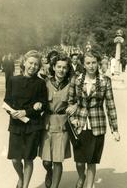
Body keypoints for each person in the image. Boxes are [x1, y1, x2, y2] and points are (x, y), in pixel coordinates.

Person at [67, 49, 120, 188]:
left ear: (98, 63)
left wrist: (115, 129)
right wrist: (73, 118)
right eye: (88, 63)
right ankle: (81, 176)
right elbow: (70, 102)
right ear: (83, 64)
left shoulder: (105, 81)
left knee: (91, 161)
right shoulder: (76, 80)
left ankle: (89, 186)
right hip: (79, 124)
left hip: (97, 126)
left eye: (94, 62)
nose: (91, 66)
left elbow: (110, 105)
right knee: (79, 161)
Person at [4, 50, 48, 188]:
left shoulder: (41, 83)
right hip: (16, 124)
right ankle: (21, 178)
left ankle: (25, 186)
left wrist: (29, 110)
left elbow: (44, 104)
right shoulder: (13, 80)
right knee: (15, 159)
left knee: (28, 159)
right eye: (30, 63)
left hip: (33, 125)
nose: (33, 66)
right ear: (24, 62)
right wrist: (11, 112)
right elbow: (6, 101)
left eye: (36, 64)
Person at [39, 53, 74, 188]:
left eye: (64, 67)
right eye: (58, 67)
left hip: (62, 124)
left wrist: (75, 106)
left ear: (67, 69)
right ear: (53, 67)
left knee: (58, 160)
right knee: (46, 161)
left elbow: (77, 101)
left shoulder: (71, 85)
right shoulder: (46, 83)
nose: (61, 70)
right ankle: (49, 172)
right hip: (47, 123)